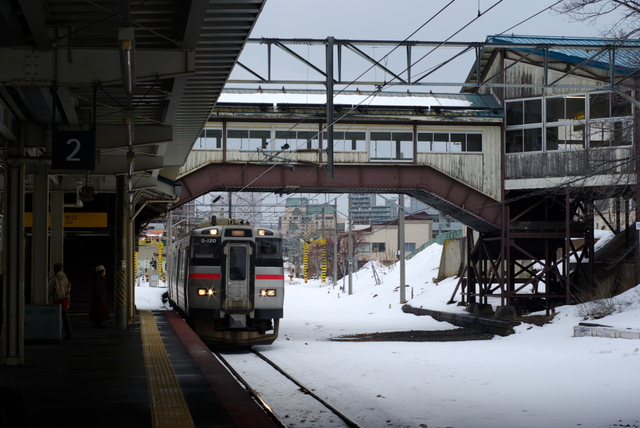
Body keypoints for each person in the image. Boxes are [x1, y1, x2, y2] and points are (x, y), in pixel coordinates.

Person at [48, 262, 73, 339]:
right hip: (65, 300)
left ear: (54, 270)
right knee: (65, 317)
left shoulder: (54, 279)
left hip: (56, 300)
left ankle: (54, 333)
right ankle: (69, 333)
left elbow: (50, 290)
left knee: (55, 318)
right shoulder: (66, 279)